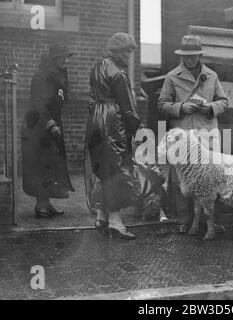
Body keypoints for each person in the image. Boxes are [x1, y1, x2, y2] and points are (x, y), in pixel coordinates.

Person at [158, 34, 229, 233]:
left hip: (207, 133)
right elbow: (162, 104)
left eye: (194, 56)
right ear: (181, 56)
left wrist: (211, 108)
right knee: (182, 178)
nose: (190, 59)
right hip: (183, 135)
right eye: (186, 56)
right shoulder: (172, 77)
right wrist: (181, 107)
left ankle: (210, 221)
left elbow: (223, 101)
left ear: (200, 55)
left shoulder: (211, 76)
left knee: (210, 176)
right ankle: (184, 220)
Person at [85, 32, 143, 239]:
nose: (129, 55)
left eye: (131, 51)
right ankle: (116, 222)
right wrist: (137, 128)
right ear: (118, 51)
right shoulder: (119, 74)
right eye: (127, 51)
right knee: (117, 170)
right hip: (112, 122)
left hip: (95, 120)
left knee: (102, 169)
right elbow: (127, 108)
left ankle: (101, 216)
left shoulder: (98, 66)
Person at [22, 43, 75, 218]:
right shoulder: (41, 77)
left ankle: (47, 202)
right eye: (62, 57)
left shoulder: (59, 76)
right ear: (53, 59)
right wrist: (50, 123)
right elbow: (37, 104)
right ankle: (40, 205)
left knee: (52, 165)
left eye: (67, 57)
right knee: (42, 165)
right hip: (40, 127)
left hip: (53, 124)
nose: (65, 60)